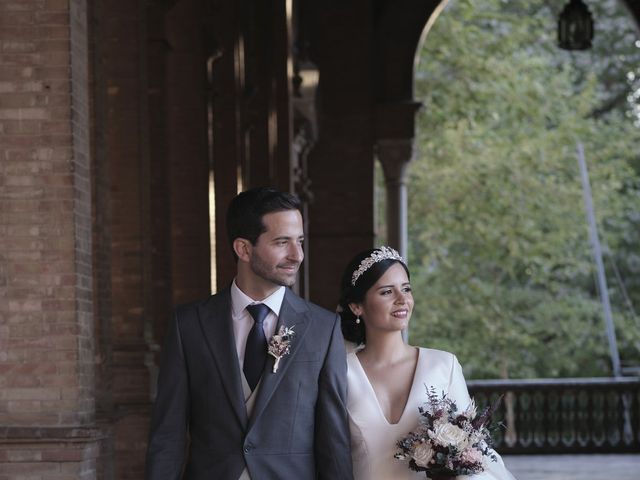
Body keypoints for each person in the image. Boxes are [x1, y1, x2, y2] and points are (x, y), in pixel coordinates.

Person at [145, 187, 353, 480]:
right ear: (243, 248)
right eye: (282, 242)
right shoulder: (189, 325)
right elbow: (168, 434)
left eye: (299, 241)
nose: (297, 255)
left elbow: (333, 441)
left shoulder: (323, 328)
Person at [338, 246, 516, 480]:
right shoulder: (340, 371)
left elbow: (473, 452)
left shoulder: (444, 365)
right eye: (386, 292)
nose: (402, 300)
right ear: (356, 306)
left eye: (406, 289)